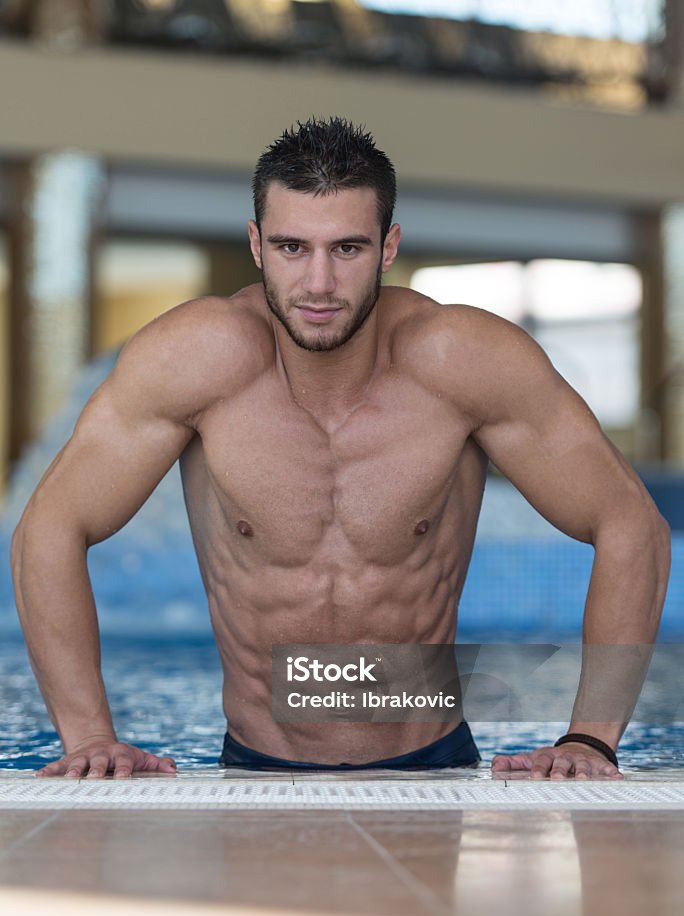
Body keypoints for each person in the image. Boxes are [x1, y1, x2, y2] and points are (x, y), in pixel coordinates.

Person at [11, 117, 670, 780]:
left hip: (431, 757)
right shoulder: (196, 358)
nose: (319, 283)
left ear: (388, 247)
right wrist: (90, 736)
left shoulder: (463, 361)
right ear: (256, 244)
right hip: (257, 761)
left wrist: (591, 738)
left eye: (347, 249)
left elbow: (631, 523)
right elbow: (49, 528)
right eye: (292, 247)